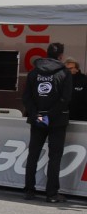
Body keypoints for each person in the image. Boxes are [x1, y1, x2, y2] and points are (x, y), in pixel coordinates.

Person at [22, 42, 72, 203]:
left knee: (33, 154)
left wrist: (38, 115)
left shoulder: (34, 72)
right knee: (55, 156)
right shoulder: (64, 73)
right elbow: (65, 99)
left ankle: (29, 190)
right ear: (61, 56)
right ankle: (51, 194)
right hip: (57, 121)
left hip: (38, 119)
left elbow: (26, 97)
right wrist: (50, 115)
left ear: (46, 53)